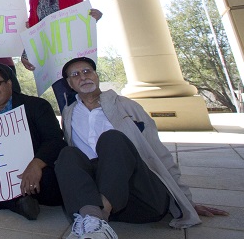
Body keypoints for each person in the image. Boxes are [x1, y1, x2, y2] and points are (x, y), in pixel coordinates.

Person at [56, 57, 228, 238]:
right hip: (103, 199)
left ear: (96, 75)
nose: (83, 77)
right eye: (75, 75)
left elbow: (159, 154)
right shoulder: (69, 113)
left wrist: (185, 201)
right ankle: (92, 220)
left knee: (112, 139)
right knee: (67, 153)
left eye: (87, 71)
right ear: (69, 83)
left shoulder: (127, 106)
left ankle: (99, 219)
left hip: (141, 196)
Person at [0, 64, 66, 220]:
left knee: (50, 184)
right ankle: (18, 205)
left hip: (34, 168)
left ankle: (18, 200)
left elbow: (55, 140)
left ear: (9, 83)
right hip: (1, 174)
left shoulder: (37, 106)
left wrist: (36, 164)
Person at [22, 0, 102, 111]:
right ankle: (71, 133)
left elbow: (81, 17)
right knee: (64, 100)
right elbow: (34, 27)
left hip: (74, 52)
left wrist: (94, 17)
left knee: (87, 94)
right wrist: (26, 54)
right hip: (52, 58)